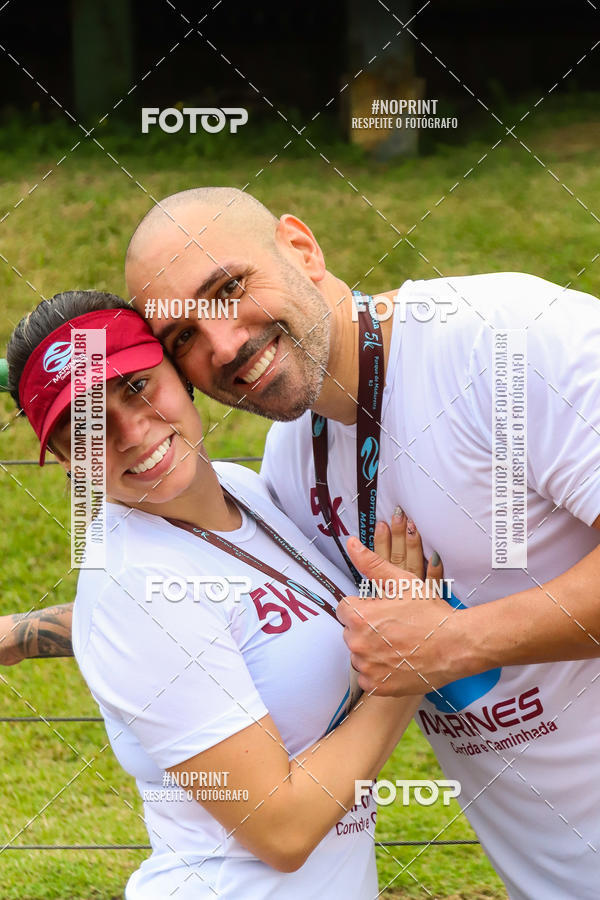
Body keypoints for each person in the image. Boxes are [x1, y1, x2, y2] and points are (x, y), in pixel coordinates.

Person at [3, 186, 600, 897]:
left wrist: (446, 645)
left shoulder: (510, 342)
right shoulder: (291, 463)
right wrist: (30, 634)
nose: (224, 343)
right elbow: (204, 615)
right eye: (184, 336)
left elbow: (232, 608)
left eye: (229, 287)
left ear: (302, 246)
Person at [6, 290, 435, 899]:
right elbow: (282, 830)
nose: (130, 432)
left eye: (135, 386)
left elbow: (227, 620)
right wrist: (413, 658)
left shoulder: (240, 489)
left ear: (178, 373)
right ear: (65, 459)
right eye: (86, 428)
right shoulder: (135, 589)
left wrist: (23, 635)